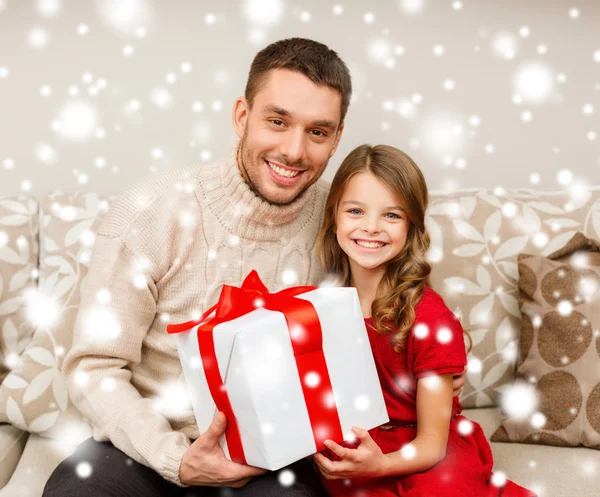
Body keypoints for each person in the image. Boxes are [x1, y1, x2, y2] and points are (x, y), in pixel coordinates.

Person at [43, 39, 465, 497]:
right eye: (277, 121)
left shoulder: (346, 222)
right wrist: (174, 459)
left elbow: (401, 301)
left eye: (318, 132)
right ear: (242, 115)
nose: (294, 150)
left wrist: (440, 365)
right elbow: (94, 366)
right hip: (147, 445)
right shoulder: (150, 212)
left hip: (277, 455)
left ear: (337, 137)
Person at [312, 144, 536, 497]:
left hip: (432, 446)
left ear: (412, 225)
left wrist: (382, 465)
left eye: (392, 215)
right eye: (355, 210)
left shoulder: (430, 319)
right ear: (334, 217)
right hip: (365, 446)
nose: (371, 227)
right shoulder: (321, 307)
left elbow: (432, 442)